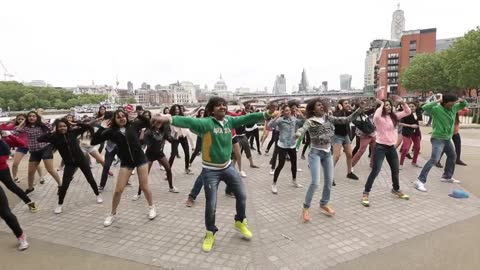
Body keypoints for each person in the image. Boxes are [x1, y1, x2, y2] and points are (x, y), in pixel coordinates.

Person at [154, 97, 275, 252]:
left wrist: (266, 113)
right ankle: (210, 232)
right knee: (211, 205)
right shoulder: (207, 123)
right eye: (218, 105)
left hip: (227, 167)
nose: (222, 107)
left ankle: (240, 221)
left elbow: (246, 118)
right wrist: (167, 117)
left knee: (242, 195)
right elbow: (188, 122)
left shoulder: (230, 121)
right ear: (211, 110)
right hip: (210, 170)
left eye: (224, 105)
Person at [296, 98, 363, 222]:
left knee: (329, 181)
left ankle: (324, 203)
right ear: (312, 109)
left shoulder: (328, 118)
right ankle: (305, 208)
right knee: (315, 182)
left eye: (322, 104)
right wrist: (298, 133)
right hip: (315, 153)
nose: (321, 106)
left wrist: (359, 110)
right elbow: (303, 128)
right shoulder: (310, 121)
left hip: (327, 153)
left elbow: (346, 120)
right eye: (318, 105)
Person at [91, 110, 157, 226]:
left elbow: (149, 123)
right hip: (126, 162)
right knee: (118, 190)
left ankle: (152, 207)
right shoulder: (111, 132)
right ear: (114, 120)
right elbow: (93, 141)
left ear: (126, 117)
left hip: (141, 159)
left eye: (123, 116)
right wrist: (102, 128)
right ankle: (112, 213)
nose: (122, 118)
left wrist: (139, 115)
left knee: (144, 186)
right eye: (118, 117)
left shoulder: (134, 125)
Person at [38, 119, 103, 213]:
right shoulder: (54, 137)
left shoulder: (73, 132)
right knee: (65, 184)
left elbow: (87, 127)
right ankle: (59, 205)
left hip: (81, 160)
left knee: (90, 178)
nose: (62, 128)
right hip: (69, 163)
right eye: (60, 126)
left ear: (67, 126)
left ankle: (98, 195)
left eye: (64, 126)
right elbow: (39, 138)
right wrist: (52, 131)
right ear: (57, 127)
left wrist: (76, 123)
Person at [360, 97, 411, 207]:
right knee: (376, 170)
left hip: (391, 147)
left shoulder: (394, 117)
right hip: (380, 147)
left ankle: (396, 189)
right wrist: (382, 104)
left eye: (389, 105)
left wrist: (402, 102)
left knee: (395, 170)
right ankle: (366, 192)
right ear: (382, 107)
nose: (388, 106)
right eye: (386, 105)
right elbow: (377, 115)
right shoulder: (378, 118)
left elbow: (408, 111)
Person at [415, 93, 468, 192]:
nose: (452, 106)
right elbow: (424, 107)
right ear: (444, 102)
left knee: (452, 156)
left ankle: (447, 176)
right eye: (450, 104)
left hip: (447, 138)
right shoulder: (436, 109)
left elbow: (464, 105)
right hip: (438, 138)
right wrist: (437, 101)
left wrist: (461, 100)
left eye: (453, 104)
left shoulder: (454, 108)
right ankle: (420, 181)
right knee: (434, 159)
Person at [15, 111, 62, 194]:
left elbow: (50, 127)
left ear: (37, 118)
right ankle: (30, 188)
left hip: (45, 148)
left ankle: (60, 186)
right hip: (34, 151)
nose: (31, 117)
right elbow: (16, 131)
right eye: (29, 116)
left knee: (50, 170)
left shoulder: (42, 125)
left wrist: (41, 117)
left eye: (34, 116)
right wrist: (23, 121)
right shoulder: (26, 127)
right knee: (30, 172)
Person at [268, 104, 304, 194]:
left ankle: (294, 180)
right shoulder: (280, 120)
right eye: (286, 110)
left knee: (294, 163)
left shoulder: (293, 119)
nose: (288, 112)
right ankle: (274, 184)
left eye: (289, 110)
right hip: (283, 145)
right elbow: (270, 125)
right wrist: (277, 115)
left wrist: (300, 114)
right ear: (283, 112)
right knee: (280, 165)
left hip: (292, 145)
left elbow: (303, 122)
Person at [0, 132, 38, 213]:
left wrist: (7, 136)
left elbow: (21, 143)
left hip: (2, 169)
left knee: (12, 186)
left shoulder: (3, 142)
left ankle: (29, 202)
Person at [332, 99, 359, 183]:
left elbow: (356, 114)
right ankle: (330, 176)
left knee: (350, 154)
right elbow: (337, 120)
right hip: (337, 136)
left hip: (345, 136)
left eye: (348, 103)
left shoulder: (347, 112)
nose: (348, 104)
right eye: (346, 103)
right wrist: (340, 110)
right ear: (340, 105)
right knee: (336, 156)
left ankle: (349, 172)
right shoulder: (335, 113)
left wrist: (352, 108)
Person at [399, 102, 422, 169]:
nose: (411, 108)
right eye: (410, 106)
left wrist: (420, 122)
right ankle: (400, 164)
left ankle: (414, 162)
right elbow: (400, 123)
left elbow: (420, 120)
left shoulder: (418, 112)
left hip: (416, 132)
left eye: (413, 106)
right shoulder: (405, 113)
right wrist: (411, 126)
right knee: (406, 148)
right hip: (407, 132)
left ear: (416, 107)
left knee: (417, 147)